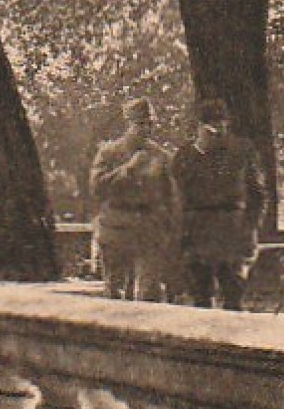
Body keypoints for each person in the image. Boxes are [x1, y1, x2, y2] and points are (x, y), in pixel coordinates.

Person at [172, 99, 266, 310]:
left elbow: (258, 195)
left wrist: (250, 228)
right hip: (197, 231)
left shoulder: (242, 151)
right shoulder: (186, 155)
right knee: (201, 296)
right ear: (198, 127)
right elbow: (177, 195)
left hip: (231, 230)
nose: (217, 129)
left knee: (233, 293)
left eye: (221, 123)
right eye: (210, 124)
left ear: (228, 123)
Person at [89, 98, 178, 301]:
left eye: (149, 124)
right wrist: (127, 169)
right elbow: (97, 188)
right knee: (115, 292)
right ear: (128, 123)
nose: (146, 129)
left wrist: (169, 227)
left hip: (148, 229)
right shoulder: (109, 152)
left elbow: (171, 196)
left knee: (149, 292)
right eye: (140, 124)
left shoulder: (160, 156)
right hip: (116, 228)